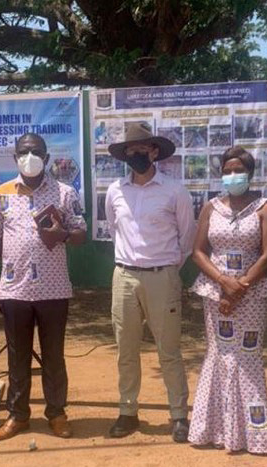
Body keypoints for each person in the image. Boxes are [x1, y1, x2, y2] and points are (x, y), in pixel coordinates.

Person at [0, 133, 87, 442]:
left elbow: (81, 234)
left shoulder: (65, 192)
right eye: (23, 152)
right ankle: (18, 416)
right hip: (14, 289)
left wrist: (64, 235)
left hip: (54, 290)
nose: (29, 157)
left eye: (35, 152)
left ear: (46, 156)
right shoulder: (1, 193)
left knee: (53, 355)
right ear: (14, 156)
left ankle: (56, 413)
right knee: (17, 356)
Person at [104, 122, 196, 442]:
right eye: (131, 150)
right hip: (125, 276)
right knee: (125, 349)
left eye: (142, 149)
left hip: (162, 277)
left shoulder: (175, 191)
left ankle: (179, 415)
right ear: (124, 155)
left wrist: (166, 267)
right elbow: (115, 229)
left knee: (168, 350)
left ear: (155, 151)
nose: (137, 154)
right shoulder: (116, 190)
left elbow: (187, 239)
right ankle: (128, 412)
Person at [188, 146, 267, 454]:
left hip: (252, 293)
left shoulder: (264, 207)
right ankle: (214, 430)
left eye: (237, 169)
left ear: (249, 173)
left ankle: (253, 436)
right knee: (219, 355)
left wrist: (240, 286)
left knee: (247, 357)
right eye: (226, 170)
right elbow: (198, 251)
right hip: (215, 291)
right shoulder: (211, 207)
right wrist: (224, 282)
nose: (232, 175)